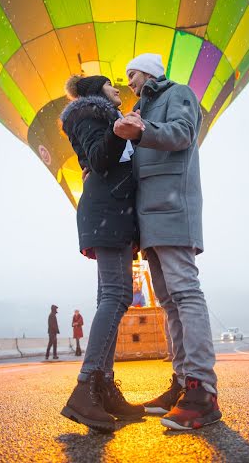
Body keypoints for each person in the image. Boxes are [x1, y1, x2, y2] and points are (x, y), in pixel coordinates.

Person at [113, 53, 221, 431]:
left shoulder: (179, 93)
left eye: (132, 73)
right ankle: (180, 383)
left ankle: (202, 390)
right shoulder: (138, 108)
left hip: (173, 208)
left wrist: (141, 132)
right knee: (170, 302)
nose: (127, 80)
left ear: (150, 72)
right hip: (148, 217)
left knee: (185, 293)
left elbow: (182, 133)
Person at [59, 74, 145, 433]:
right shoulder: (90, 114)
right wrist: (119, 132)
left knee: (110, 295)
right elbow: (98, 158)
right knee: (117, 294)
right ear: (96, 90)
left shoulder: (102, 115)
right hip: (107, 208)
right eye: (111, 84)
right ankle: (85, 386)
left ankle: (105, 388)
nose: (117, 89)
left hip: (114, 210)